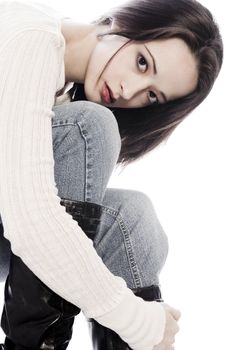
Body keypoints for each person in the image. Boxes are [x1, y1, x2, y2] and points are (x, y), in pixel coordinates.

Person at [0, 0, 223, 349]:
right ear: (121, 22)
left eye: (152, 96)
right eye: (141, 62)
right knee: (90, 126)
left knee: (133, 219)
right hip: (16, 219)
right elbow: (29, 217)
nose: (129, 91)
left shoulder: (60, 87)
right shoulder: (31, 37)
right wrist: (136, 319)